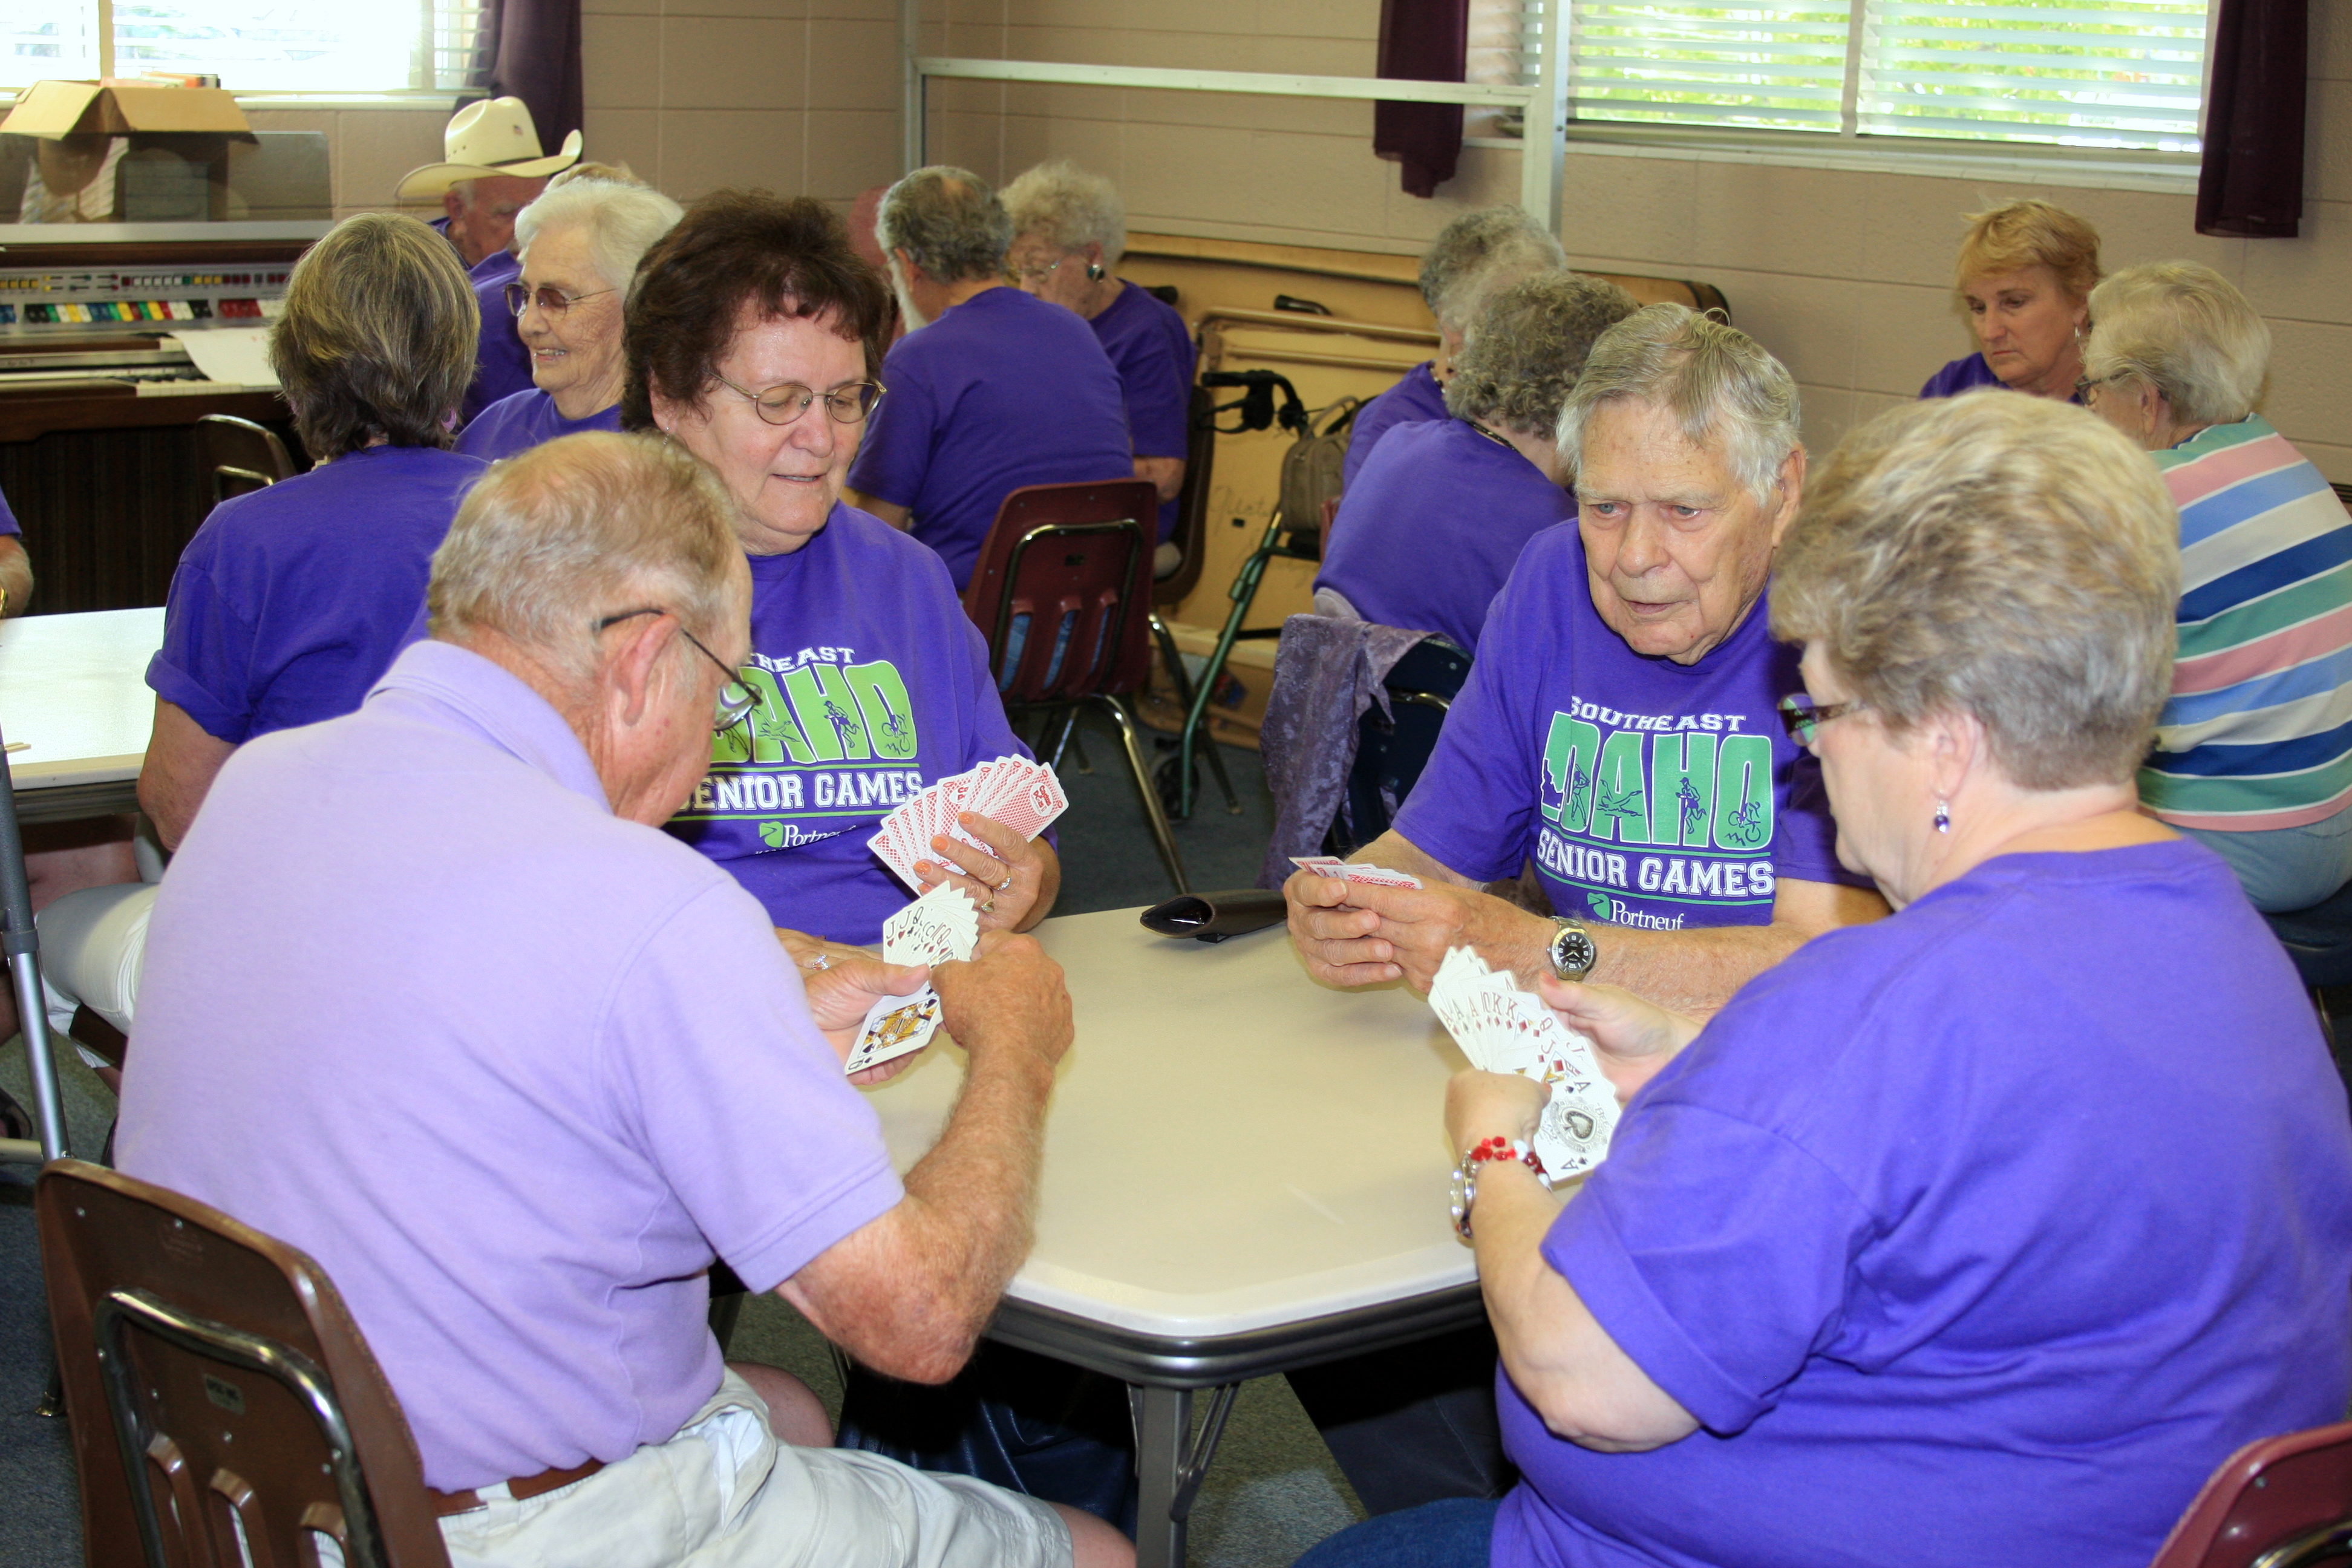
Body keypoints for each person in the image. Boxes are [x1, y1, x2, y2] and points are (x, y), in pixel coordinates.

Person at [1296, 389, 2352, 1568]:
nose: (1812, 752)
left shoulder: (1873, 1008)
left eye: (1824, 707)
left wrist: (1492, 1149)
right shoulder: (2229, 938)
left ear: (1945, 736)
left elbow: (1582, 1379)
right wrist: (1711, 1065)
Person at [116, 431, 1131, 1568]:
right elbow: (919, 1323)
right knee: (1094, 1552)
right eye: (727, 688)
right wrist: (1014, 1052)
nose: (714, 749)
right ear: (647, 658)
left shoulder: (261, 783)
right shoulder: (647, 902)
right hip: (507, 1528)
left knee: (784, 1412)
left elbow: (469, 1020)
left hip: (246, 1475)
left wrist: (759, 988)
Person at [1289, 303, 1884, 1022]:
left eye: (1683, 512)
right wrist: (1353, 899)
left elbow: (1819, 959)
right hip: (1583, 1050)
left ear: (1782, 494)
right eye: (1603, 508)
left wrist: (1549, 951)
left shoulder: (1844, 634)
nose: (1634, 557)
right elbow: (1433, 851)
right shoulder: (1551, 580)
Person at [624, 190, 1061, 948]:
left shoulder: (907, 580)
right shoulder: (582, 592)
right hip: (694, 995)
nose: (822, 439)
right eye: (780, 401)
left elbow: (1025, 833)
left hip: (912, 986)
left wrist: (1030, 878)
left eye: (847, 398)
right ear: (671, 396)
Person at [138, 212, 486, 850]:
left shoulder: (246, 540)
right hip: (491, 904)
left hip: (309, 909)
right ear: (458, 359)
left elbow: (177, 803)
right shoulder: (538, 516)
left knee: (78, 901)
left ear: (296, 366)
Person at [2081, 261, 2352, 911]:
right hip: (2331, 819)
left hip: (2252, 844)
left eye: (2093, 390)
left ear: (2146, 401)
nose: (2089, 408)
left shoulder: (2154, 496)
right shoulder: (2280, 457)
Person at [1315, 273, 1638, 654]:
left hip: (1352, 705)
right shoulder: (1560, 536)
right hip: (1470, 710)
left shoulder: (1395, 444)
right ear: (1594, 395)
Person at [843, 166, 1132, 591]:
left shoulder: (920, 359)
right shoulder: (1077, 332)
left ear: (907, 264)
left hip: (975, 623)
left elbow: (873, 533)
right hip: (1097, 614)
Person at [1002, 160, 1195, 569]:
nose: (1026, 288)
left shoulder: (1146, 332)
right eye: (1018, 271)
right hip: (1035, 511)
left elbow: (1163, 476)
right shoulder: (1036, 324)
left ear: (1093, 257)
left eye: (1040, 269)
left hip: (1113, 523)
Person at [458, 176, 682, 462]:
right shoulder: (492, 431)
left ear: (640, 304)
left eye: (557, 300)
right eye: (526, 295)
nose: (529, 326)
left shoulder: (677, 450)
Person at [1344, 206, 1567, 491]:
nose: (1535, 327)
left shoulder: (1551, 412)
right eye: (1510, 311)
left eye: (1546, 307)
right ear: (1451, 321)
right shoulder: (1391, 424)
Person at [396, 96, 586, 422]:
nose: (527, 229)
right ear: (457, 209)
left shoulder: (558, 271)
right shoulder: (412, 278)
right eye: (508, 213)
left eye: (538, 208)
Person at [1918, 197, 2099, 402]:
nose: (1990, 333)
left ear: (2081, 301)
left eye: (2014, 302)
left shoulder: (2127, 401)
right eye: (1979, 308)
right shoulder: (1953, 388)